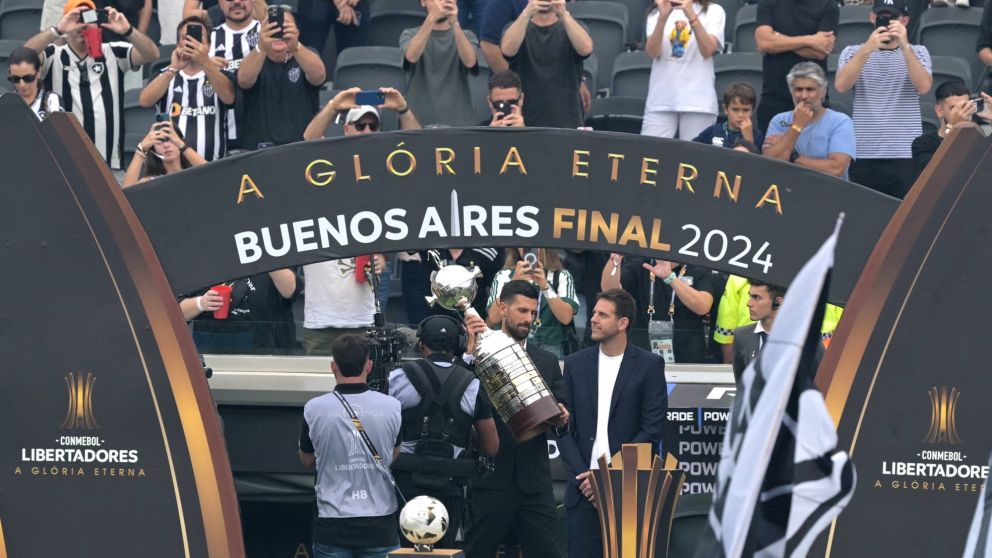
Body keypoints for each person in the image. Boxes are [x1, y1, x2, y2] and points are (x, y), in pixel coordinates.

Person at [557, 288, 667, 558]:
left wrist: (606, 478)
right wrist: (587, 477)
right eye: (593, 312)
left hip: (628, 490)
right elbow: (562, 427)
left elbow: (652, 429)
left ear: (622, 323)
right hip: (582, 491)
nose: (593, 319)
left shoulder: (650, 365)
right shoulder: (575, 364)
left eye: (602, 315)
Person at [463, 280, 569, 558]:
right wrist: (469, 357)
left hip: (535, 483)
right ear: (501, 307)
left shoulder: (546, 361)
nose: (528, 319)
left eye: (533, 312)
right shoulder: (475, 355)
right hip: (491, 479)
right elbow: (461, 398)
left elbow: (562, 409)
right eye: (522, 310)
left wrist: (562, 417)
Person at [388, 316, 499, 549]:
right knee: (445, 551)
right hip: (450, 487)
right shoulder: (472, 384)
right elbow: (491, 446)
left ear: (420, 346)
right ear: (457, 347)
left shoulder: (399, 377)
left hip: (405, 483)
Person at [299, 335, 403, 558]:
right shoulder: (392, 406)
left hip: (332, 523)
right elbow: (394, 453)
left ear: (333, 366)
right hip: (380, 524)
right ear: (369, 366)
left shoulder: (313, 409)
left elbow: (307, 460)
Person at [25, 0, 160, 171]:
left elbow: (152, 54)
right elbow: (24, 57)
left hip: (109, 164)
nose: (82, 25)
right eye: (77, 19)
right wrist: (56, 30)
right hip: (65, 163)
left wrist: (128, 31)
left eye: (88, 18)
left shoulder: (113, 52)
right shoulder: (54, 55)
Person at [834, 0, 932, 199]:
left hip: (905, 153)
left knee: (903, 217)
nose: (886, 23)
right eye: (881, 17)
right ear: (872, 18)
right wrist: (868, 48)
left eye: (892, 18)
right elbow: (841, 85)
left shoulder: (919, 52)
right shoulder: (852, 52)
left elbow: (923, 86)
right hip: (863, 152)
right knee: (864, 216)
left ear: (904, 20)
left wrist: (904, 45)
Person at [138, 17, 236, 162]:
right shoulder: (165, 74)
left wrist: (205, 62)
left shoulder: (220, 74)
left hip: (212, 167)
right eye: (186, 38)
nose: (192, 42)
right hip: (172, 170)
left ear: (208, 45)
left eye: (198, 38)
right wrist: (173, 69)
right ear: (178, 44)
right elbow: (145, 101)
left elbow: (229, 97)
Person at [236, 6, 326, 148]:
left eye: (286, 26)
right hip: (260, 151)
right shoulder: (254, 59)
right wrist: (262, 46)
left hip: (301, 148)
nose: (279, 30)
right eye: (274, 26)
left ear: (296, 32)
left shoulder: (307, 55)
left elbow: (319, 76)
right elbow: (244, 80)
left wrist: (295, 46)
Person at [601, 253, 717, 363]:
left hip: (688, 356)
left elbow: (703, 306)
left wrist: (670, 278)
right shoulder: (641, 265)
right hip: (642, 354)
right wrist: (615, 260)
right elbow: (610, 292)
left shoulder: (698, 267)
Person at [500, 0, 593, 128]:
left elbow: (586, 49)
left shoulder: (574, 27)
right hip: (524, 121)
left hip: (567, 120)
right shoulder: (516, 27)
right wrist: (526, 13)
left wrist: (563, 13)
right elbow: (507, 51)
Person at [642, 0, 724, 139]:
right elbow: (653, 52)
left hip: (698, 101)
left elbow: (708, 50)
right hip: (662, 98)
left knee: (695, 157)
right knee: (651, 153)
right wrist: (662, 18)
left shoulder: (714, 11)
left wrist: (691, 14)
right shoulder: (656, 12)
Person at [753, 0, 838, 133]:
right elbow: (763, 43)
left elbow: (820, 51)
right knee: (771, 152)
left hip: (813, 102)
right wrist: (810, 40)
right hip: (773, 100)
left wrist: (777, 38)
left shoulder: (828, 5)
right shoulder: (768, 2)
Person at [763, 62, 857, 180]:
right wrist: (796, 127)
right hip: (787, 190)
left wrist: (793, 157)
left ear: (823, 91)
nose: (803, 96)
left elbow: (836, 169)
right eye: (798, 89)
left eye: (810, 89)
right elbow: (769, 164)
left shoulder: (841, 122)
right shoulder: (779, 121)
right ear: (791, 91)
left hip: (828, 193)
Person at [178, 269, 301, 354]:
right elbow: (172, 313)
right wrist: (201, 303)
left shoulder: (267, 255)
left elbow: (290, 290)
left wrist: (265, 256)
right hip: (212, 359)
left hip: (264, 359)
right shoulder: (203, 261)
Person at [486, 248, 579, 358]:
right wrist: (513, 282)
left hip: (551, 346)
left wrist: (545, 286)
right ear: (516, 248)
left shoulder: (561, 275)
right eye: (524, 245)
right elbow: (493, 317)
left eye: (534, 246)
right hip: (511, 344)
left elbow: (566, 317)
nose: (528, 248)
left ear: (545, 248)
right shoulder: (504, 275)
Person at [400, 0, 479, 127]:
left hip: (461, 124)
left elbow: (470, 62)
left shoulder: (467, 36)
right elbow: (411, 56)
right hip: (417, 123)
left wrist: (455, 24)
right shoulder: (409, 34)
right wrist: (431, 18)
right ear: (423, 2)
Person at [912, 80, 992, 179]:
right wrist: (952, 127)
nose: (961, 113)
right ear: (939, 111)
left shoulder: (977, 140)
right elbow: (934, 174)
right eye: (954, 108)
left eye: (965, 107)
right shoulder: (922, 144)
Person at [303, 87, 422, 139]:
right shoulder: (338, 149)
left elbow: (418, 143)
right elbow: (310, 138)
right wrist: (333, 105)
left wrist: (403, 108)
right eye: (360, 126)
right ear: (347, 129)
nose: (367, 131)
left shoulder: (386, 148)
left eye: (373, 126)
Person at [122, 120, 207, 186]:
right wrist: (141, 149)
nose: (166, 145)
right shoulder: (149, 182)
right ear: (153, 149)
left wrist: (182, 146)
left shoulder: (195, 174)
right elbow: (127, 192)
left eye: (170, 139)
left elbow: (213, 174)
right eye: (159, 141)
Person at [731, 280, 784, 382]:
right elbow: (741, 384)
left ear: (777, 302)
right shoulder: (741, 336)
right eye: (750, 296)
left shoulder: (805, 340)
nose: (748, 303)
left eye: (756, 297)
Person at [692, 82, 764, 149]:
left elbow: (754, 161)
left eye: (745, 110)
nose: (740, 115)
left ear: (752, 111)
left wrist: (748, 138)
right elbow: (692, 149)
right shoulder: (713, 131)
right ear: (725, 109)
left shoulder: (757, 136)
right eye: (735, 110)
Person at [6, 47, 63, 120]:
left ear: (38, 72)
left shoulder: (51, 100)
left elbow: (58, 129)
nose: (22, 85)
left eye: (28, 78)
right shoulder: (4, 102)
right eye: (15, 79)